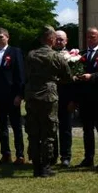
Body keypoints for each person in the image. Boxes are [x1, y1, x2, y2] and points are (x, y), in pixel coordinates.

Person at [25, 27, 75, 178]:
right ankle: (46, 167)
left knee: (34, 131)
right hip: (49, 96)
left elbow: (27, 74)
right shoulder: (56, 56)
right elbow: (68, 77)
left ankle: (36, 166)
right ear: (51, 39)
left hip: (32, 95)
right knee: (48, 131)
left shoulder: (31, 55)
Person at [0, 27, 26, 164]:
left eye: (1, 37)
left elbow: (20, 74)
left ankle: (20, 155)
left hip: (12, 95)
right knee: (2, 126)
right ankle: (5, 154)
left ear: (7, 37)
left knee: (16, 126)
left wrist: (20, 94)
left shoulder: (15, 52)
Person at [73, 27, 98, 170]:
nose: (90, 39)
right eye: (88, 37)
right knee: (87, 129)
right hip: (85, 97)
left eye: (93, 37)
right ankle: (88, 157)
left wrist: (92, 76)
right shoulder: (81, 54)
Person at [53, 30, 74, 168]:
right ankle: (51, 155)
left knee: (66, 129)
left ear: (66, 41)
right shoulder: (48, 54)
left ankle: (65, 157)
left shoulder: (72, 57)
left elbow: (74, 81)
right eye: (57, 39)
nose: (59, 41)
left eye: (62, 39)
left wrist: (73, 100)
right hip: (51, 97)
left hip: (66, 97)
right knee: (51, 128)